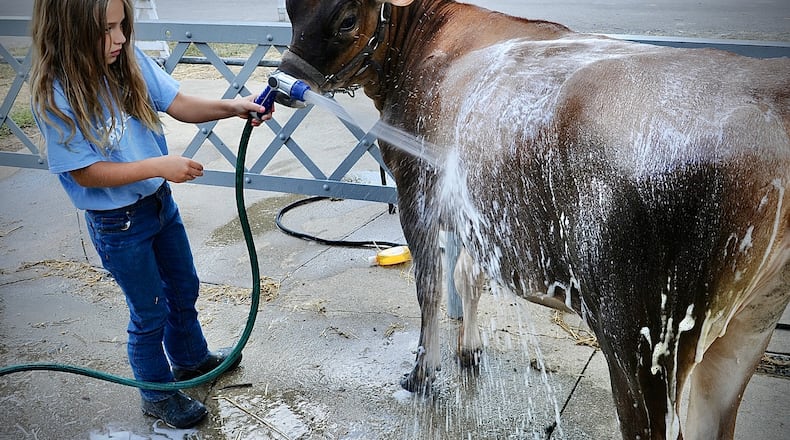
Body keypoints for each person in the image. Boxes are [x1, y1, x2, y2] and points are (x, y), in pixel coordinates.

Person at [29, 0, 271, 429]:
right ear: (69, 29)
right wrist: (159, 166)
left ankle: (191, 360)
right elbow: (86, 173)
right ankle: (157, 395)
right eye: (107, 29)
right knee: (149, 311)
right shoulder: (56, 94)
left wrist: (235, 106)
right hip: (118, 224)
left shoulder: (127, 62)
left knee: (183, 287)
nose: (121, 38)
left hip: (159, 205)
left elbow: (178, 103)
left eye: (122, 25)